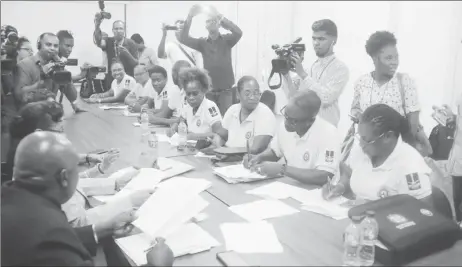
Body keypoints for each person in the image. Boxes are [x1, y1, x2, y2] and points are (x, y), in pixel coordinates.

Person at [1, 132, 137, 266]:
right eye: (76, 170)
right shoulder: (53, 234)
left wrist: (103, 228)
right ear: (64, 177)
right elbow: (56, 241)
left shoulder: (11, 197)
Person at [322, 104, 432, 203]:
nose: (361, 144)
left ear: (388, 136)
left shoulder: (410, 165)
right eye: (360, 137)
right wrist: (341, 187)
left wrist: (371, 207)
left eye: (367, 140)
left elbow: (421, 213)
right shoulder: (363, 149)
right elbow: (349, 174)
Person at [350, 31, 430, 156]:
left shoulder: (405, 82)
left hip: (395, 150)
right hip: (366, 148)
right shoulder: (361, 82)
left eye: (396, 57)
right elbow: (355, 111)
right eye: (388, 58)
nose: (394, 62)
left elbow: (413, 125)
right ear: (374, 58)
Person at [3, 100, 114, 184]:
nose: (64, 133)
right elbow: (73, 186)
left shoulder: (27, 151)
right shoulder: (39, 169)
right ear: (40, 134)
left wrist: (87, 157)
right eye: (60, 129)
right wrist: (100, 170)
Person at [246, 90, 340, 185]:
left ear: (310, 120)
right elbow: (275, 151)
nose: (286, 123)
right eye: (285, 115)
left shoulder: (328, 133)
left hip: (315, 192)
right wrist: (259, 157)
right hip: (290, 186)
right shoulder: (284, 126)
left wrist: (283, 169)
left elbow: (325, 176)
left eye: (293, 121)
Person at [284, 19, 349, 127]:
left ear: (334, 40)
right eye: (314, 38)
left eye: (321, 39)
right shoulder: (309, 66)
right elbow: (293, 97)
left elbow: (326, 98)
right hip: (304, 129)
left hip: (327, 130)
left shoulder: (340, 69)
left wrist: (303, 74)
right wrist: (285, 73)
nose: (316, 43)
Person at [180, 4, 243, 116]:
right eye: (209, 21)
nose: (212, 22)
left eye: (214, 20)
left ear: (219, 24)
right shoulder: (202, 43)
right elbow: (184, 38)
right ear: (206, 26)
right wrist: (190, 16)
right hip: (209, 90)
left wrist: (219, 15)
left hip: (226, 91)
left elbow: (239, 32)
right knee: (209, 120)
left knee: (225, 121)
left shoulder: (227, 40)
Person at [14, 32, 81, 111]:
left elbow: (73, 96)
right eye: (48, 45)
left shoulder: (57, 68)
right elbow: (20, 96)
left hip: (51, 116)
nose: (52, 48)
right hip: (31, 117)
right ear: (39, 46)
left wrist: (62, 71)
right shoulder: (24, 65)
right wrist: (41, 79)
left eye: (55, 46)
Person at [215, 76, 276, 153]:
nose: (252, 97)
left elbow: (256, 149)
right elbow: (220, 135)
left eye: (256, 93)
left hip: (249, 161)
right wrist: (218, 148)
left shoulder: (265, 114)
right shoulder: (232, 110)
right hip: (227, 157)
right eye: (247, 94)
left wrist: (227, 151)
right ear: (238, 94)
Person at [168, 67, 222, 141]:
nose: (191, 98)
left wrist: (195, 136)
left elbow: (219, 134)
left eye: (195, 93)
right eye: (188, 94)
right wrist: (174, 127)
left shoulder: (209, 107)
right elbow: (180, 120)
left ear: (204, 91)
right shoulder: (187, 106)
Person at [93, 15, 138, 88]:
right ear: (112, 30)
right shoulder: (108, 41)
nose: (118, 31)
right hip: (111, 79)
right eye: (116, 29)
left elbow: (136, 64)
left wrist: (127, 54)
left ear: (124, 30)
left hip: (127, 80)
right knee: (111, 95)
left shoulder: (131, 43)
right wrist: (97, 26)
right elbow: (99, 43)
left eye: (121, 28)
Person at [148, 60, 191, 126]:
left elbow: (184, 121)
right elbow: (165, 113)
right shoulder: (176, 90)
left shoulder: (191, 93)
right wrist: (149, 116)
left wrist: (155, 119)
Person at [441, 95, 462, 223]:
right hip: (457, 165)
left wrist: (454, 118)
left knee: (459, 199)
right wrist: (452, 118)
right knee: (457, 199)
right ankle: (459, 223)